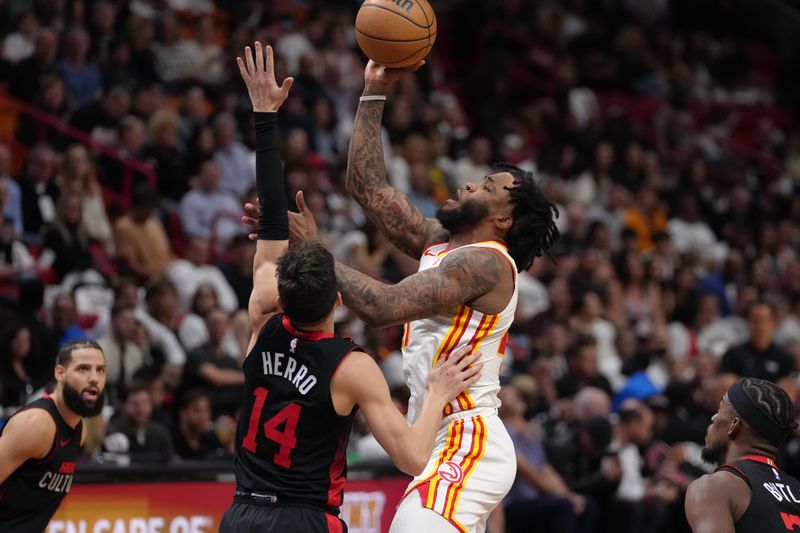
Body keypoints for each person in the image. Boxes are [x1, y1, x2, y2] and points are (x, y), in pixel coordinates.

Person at [276, 59, 560, 532]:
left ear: (504, 221)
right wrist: (373, 92)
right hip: (435, 433)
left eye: (486, 186)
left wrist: (315, 251)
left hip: (467, 437)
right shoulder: (445, 245)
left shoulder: (486, 263)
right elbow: (367, 187)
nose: (469, 182)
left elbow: (380, 307)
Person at [221, 42, 482, 533]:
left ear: (281, 297)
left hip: (240, 513)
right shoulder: (351, 366)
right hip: (304, 519)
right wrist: (439, 393)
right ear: (338, 301)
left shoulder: (261, 321)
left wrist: (263, 116)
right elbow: (410, 457)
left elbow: (272, 226)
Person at [0, 340, 106, 531]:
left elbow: (39, 508)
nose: (94, 378)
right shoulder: (37, 424)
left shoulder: (79, 429)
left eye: (100, 370)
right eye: (83, 369)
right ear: (60, 373)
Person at [685, 377, 800, 532]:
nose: (713, 417)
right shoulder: (796, 488)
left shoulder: (715, 487)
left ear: (734, 425)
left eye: (720, 409)